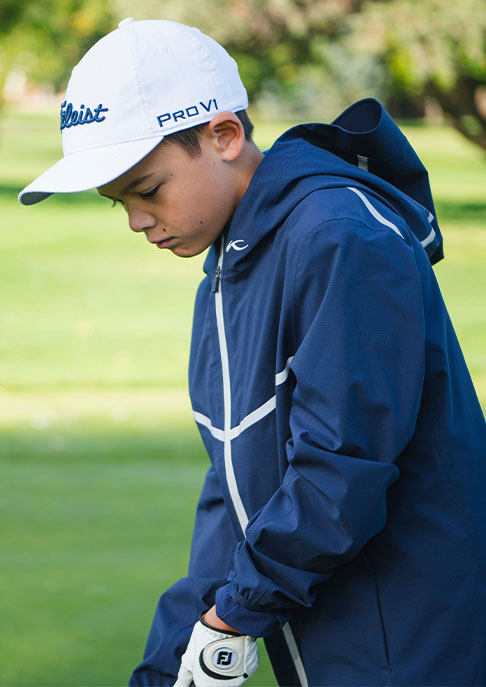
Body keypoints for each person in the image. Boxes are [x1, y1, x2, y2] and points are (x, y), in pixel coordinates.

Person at [19, 17, 486, 687]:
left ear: (225, 135)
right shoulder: (227, 270)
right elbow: (234, 491)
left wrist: (235, 616)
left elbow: (341, 468)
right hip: (331, 645)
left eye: (148, 189)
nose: (136, 221)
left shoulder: (340, 236)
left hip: (419, 647)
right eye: (117, 200)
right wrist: (173, 656)